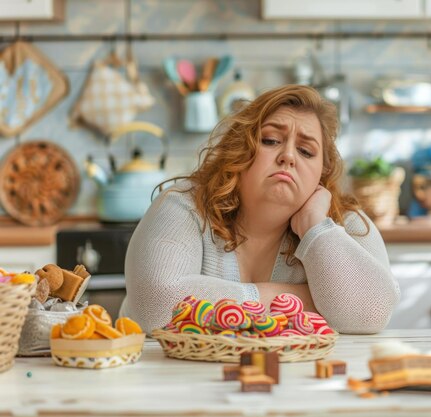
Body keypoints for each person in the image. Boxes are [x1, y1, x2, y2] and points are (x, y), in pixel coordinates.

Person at [120, 84, 400, 334]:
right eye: (270, 140)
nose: (288, 156)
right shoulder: (183, 205)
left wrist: (316, 228)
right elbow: (157, 306)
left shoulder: (342, 222)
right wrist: (311, 299)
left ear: (321, 173)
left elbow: (372, 312)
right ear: (240, 150)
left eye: (306, 151)